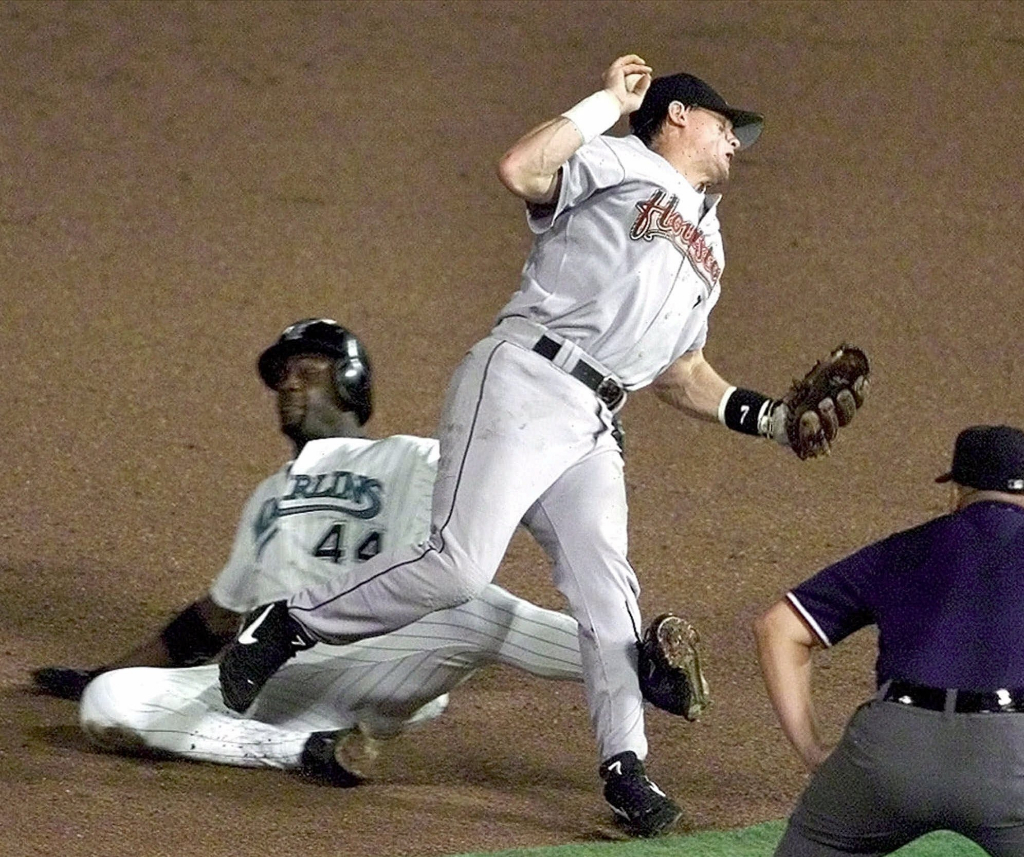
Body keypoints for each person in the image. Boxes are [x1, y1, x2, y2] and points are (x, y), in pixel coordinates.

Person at [218, 54, 862, 837]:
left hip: (595, 421)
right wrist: (604, 103)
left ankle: (626, 768)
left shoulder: (711, 248)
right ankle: (287, 623)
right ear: (679, 118)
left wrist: (768, 417)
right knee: (458, 564)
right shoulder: (621, 158)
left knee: (607, 595)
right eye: (727, 124)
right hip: (526, 373)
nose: (737, 141)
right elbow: (521, 168)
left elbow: (682, 372)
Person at [33, 318, 609, 784]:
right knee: (110, 702)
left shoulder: (413, 458)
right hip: (279, 679)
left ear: (351, 384)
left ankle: (637, 659)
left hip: (388, 653)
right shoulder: (269, 493)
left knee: (472, 600)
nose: (288, 384)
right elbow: (216, 617)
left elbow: (490, 497)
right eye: (282, 376)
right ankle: (310, 753)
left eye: (307, 370)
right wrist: (101, 672)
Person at [754, 424, 1024, 856]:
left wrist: (814, 752)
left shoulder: (904, 549)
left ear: (956, 491)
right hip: (1011, 761)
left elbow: (779, 627)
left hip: (890, 753)